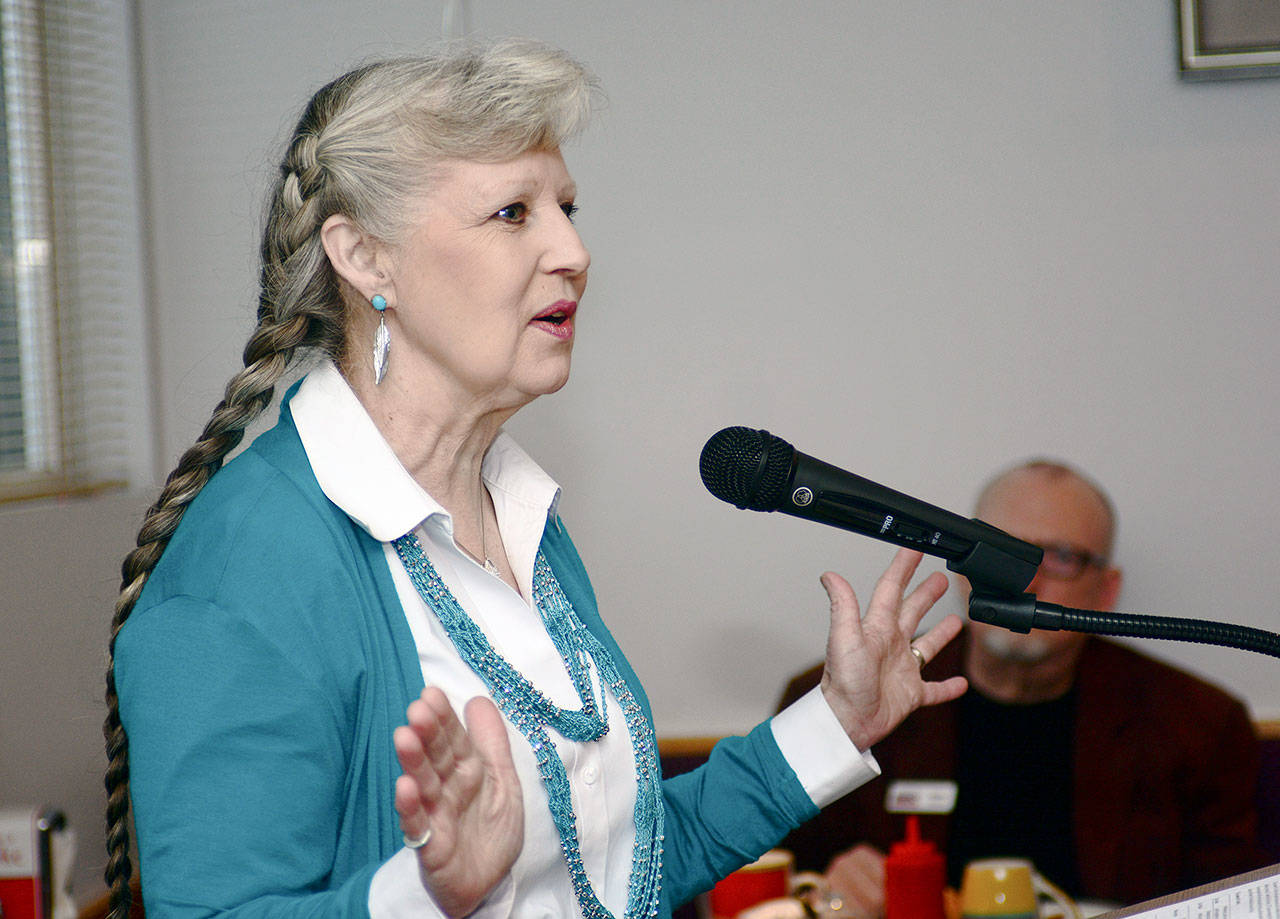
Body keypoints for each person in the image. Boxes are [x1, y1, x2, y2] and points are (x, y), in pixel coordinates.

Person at [102, 40, 969, 919]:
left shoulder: (516, 511)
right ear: (366, 259)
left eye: (568, 206)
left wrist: (835, 722)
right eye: (514, 212)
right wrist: (431, 893)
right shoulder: (250, 558)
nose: (574, 250)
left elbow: (614, 871)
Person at [777, 459, 1268, 915]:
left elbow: (1238, 901)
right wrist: (829, 896)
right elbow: (770, 878)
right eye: (1000, 548)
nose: (1026, 579)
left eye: (1060, 557)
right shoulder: (837, 703)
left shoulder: (1199, 724)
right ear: (962, 567)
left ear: (1107, 589)